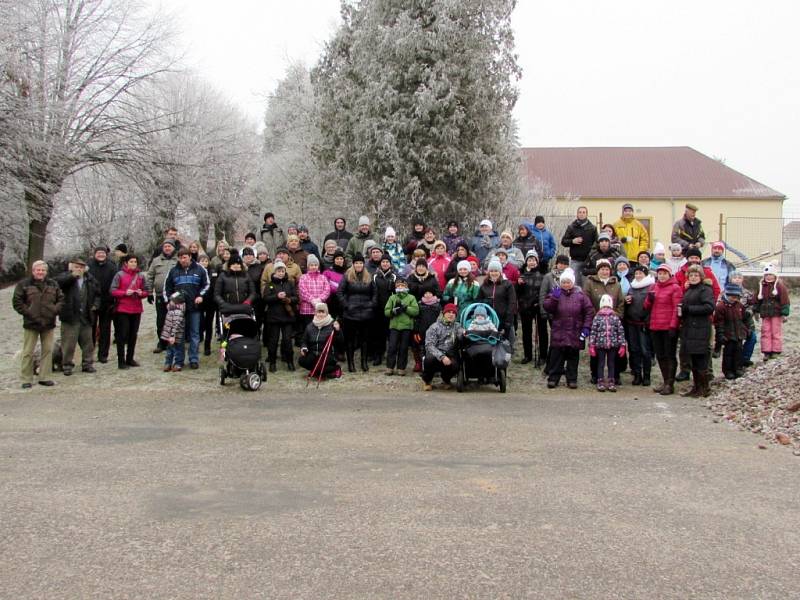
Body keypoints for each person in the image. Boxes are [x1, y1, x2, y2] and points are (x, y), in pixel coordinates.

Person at [13, 260, 64, 388]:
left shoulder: (53, 284)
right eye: (38, 270)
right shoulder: (23, 284)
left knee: (48, 350)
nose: (40, 272)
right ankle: (26, 378)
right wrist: (28, 312)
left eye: (43, 270)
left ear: (46, 272)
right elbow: (17, 302)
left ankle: (45, 376)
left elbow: (61, 299)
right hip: (31, 322)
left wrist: (54, 310)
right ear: (33, 270)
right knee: (28, 351)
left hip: (48, 323)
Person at [543, 268, 595, 389]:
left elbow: (589, 311)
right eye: (564, 282)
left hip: (575, 331)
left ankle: (572, 379)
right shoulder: (555, 293)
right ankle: (553, 378)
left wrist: (587, 327)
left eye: (568, 282)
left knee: (573, 357)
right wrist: (554, 299)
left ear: (573, 283)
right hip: (559, 330)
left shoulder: (580, 295)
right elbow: (547, 307)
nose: (566, 284)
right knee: (557, 356)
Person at [163, 248, 210, 370]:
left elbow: (207, 284)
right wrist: (169, 301)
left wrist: (200, 295)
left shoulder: (200, 269)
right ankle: (178, 360)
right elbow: (167, 288)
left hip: (194, 307)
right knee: (179, 335)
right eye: (180, 257)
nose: (182, 260)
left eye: (185, 257)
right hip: (178, 309)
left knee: (195, 334)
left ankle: (193, 359)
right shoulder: (173, 271)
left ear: (190, 257)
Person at [582, 258, 626, 385]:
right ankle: (595, 375)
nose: (605, 271)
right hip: (597, 321)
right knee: (596, 349)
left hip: (613, 322)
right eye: (602, 269)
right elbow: (586, 301)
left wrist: (616, 315)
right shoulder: (590, 282)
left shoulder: (616, 284)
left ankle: (615, 375)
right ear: (598, 270)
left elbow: (621, 303)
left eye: (607, 269)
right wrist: (596, 316)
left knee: (615, 351)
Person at [54, 257, 100, 376]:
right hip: (70, 316)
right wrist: (72, 276)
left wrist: (95, 305)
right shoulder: (65, 277)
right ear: (71, 267)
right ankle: (67, 365)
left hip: (86, 316)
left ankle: (87, 364)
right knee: (68, 344)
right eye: (76, 267)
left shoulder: (90, 279)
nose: (79, 269)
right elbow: (57, 284)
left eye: (81, 267)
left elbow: (98, 294)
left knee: (88, 343)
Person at [644, 264, 683, 395]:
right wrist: (649, 299)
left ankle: (670, 383)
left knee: (669, 355)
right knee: (660, 355)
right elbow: (647, 306)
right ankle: (665, 380)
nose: (662, 276)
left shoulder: (675, 288)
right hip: (655, 326)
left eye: (664, 273)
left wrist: (673, 326)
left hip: (668, 327)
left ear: (669, 274)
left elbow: (676, 309)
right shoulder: (653, 287)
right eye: (660, 273)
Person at [679, 264, 715, 398]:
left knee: (701, 360)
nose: (693, 277)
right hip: (689, 327)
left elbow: (709, 307)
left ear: (701, 276)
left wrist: (689, 309)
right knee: (693, 359)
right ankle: (696, 386)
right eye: (691, 275)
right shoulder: (689, 290)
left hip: (701, 328)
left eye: (696, 275)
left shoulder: (705, 290)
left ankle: (704, 388)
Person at [337, 253, 377, 372]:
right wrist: (346, 305)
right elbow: (340, 292)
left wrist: (371, 304)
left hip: (366, 313)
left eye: (360, 263)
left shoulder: (369, 276)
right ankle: (351, 364)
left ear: (363, 264)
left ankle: (364, 363)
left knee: (364, 340)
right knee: (350, 340)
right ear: (353, 264)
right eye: (356, 263)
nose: (358, 265)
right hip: (350, 314)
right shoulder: (347, 276)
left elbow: (375, 293)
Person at [110, 254, 148, 369]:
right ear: (126, 263)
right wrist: (125, 293)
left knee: (133, 335)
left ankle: (130, 358)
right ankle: (121, 361)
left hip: (136, 309)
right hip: (123, 309)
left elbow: (146, 291)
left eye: (135, 262)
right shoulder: (119, 275)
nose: (133, 264)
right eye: (131, 261)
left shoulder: (140, 275)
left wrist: (142, 293)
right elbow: (112, 290)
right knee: (122, 336)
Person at [262, 260, 298, 372]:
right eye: (279, 271)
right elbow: (266, 299)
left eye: (282, 271)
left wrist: (288, 299)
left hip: (287, 316)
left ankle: (290, 361)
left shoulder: (290, 283)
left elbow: (296, 298)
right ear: (275, 272)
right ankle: (272, 362)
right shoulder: (270, 284)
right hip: (274, 317)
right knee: (273, 341)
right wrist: (277, 296)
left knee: (287, 340)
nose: (281, 273)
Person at [713, 283, 753, 381]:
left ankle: (738, 368)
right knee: (728, 354)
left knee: (738, 352)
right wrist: (721, 335)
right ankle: (728, 371)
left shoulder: (739, 306)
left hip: (739, 334)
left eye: (736, 296)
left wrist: (747, 329)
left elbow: (746, 318)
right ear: (727, 294)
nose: (734, 298)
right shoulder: (721, 306)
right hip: (728, 335)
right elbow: (719, 323)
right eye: (732, 296)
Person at [408, 257, 441, 372]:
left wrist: (428, 294)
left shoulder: (432, 278)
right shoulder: (411, 278)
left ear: (426, 267)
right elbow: (409, 289)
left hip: (430, 309)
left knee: (430, 336)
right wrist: (422, 288)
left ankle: (430, 360)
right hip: (414, 309)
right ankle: (418, 362)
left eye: (423, 266)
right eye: (419, 266)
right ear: (415, 267)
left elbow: (438, 292)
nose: (421, 268)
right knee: (416, 337)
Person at [421, 303, 464, 391]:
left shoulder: (457, 326)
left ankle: (446, 380)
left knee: (456, 364)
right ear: (444, 313)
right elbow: (429, 345)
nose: (451, 314)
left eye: (453, 313)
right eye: (448, 312)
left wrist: (464, 334)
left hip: (450, 353)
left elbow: (461, 334)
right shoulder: (434, 327)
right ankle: (427, 381)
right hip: (436, 354)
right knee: (429, 360)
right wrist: (442, 357)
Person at [589, 294, 627, 392]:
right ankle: (600, 380)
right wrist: (591, 345)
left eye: (608, 306)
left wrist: (622, 345)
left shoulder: (615, 317)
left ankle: (611, 380)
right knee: (600, 363)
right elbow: (593, 331)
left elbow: (620, 331)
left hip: (613, 345)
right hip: (600, 345)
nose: (606, 309)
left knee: (611, 363)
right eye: (604, 306)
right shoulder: (597, 317)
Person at [625, 265, 655, 386]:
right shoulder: (631, 287)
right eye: (636, 274)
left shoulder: (651, 287)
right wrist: (627, 301)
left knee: (645, 350)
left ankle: (646, 376)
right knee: (634, 349)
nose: (638, 276)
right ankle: (637, 375)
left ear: (645, 275)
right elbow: (627, 303)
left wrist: (647, 319)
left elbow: (653, 306)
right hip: (632, 322)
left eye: (640, 274)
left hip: (644, 323)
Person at [146, 239, 178, 353]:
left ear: (174, 248)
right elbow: (149, 276)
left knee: (175, 320)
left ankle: (174, 343)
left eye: (169, 246)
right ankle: (162, 343)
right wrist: (149, 292)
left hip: (175, 296)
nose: (167, 248)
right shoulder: (156, 261)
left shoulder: (178, 259)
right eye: (165, 246)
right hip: (160, 295)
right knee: (161, 320)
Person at [86, 245, 117, 363]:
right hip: (91, 302)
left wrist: (113, 300)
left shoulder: (112, 266)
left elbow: (115, 283)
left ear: (106, 254)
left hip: (107, 302)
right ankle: (89, 354)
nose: (100, 255)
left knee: (105, 329)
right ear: (94, 254)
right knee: (91, 329)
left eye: (102, 253)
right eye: (98, 253)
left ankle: (103, 354)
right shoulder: (88, 265)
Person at [383, 278, 419, 376]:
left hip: (407, 327)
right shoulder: (392, 298)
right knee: (392, 347)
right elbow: (386, 311)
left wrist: (406, 308)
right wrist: (393, 311)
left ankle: (401, 367)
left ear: (406, 287)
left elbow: (416, 311)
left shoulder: (411, 298)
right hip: (394, 326)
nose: (400, 287)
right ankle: (390, 367)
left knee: (403, 348)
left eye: (402, 286)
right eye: (398, 286)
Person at [754, 263, 790, 361]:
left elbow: (785, 300)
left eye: (771, 275)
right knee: (766, 332)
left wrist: (784, 313)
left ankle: (776, 351)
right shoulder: (761, 286)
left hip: (776, 314)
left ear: (775, 275)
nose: (768, 277)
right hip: (765, 314)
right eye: (766, 275)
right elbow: (757, 300)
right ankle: (766, 351)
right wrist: (756, 311)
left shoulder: (779, 286)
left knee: (775, 332)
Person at [297, 254, 332, 356]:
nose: (313, 267)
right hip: (307, 310)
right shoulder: (303, 277)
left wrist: (320, 299)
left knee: (320, 332)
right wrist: (312, 300)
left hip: (320, 310)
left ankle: (321, 351)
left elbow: (327, 290)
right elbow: (302, 291)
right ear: (308, 266)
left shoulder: (323, 277)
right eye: (311, 265)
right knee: (309, 331)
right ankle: (307, 351)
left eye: (315, 265)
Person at [478, 259, 517, 346]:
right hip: (489, 319)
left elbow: (512, 302)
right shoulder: (484, 285)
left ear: (500, 271)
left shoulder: (507, 284)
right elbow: (479, 301)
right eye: (491, 271)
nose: (494, 273)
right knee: (491, 343)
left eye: (496, 271)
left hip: (504, 318)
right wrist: (486, 301)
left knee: (505, 344)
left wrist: (508, 320)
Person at [516, 250, 546, 365]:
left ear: (537, 261)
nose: (531, 262)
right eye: (529, 260)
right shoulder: (521, 274)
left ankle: (543, 355)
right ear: (526, 261)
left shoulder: (542, 274)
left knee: (542, 331)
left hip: (538, 306)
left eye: (533, 260)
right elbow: (518, 293)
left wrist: (539, 301)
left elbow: (544, 291)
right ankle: (527, 355)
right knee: (526, 332)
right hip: (525, 307)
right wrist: (518, 284)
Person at [299, 303, 343, 379]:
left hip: (328, 354)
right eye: (319, 312)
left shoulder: (332, 324)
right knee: (302, 360)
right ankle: (317, 371)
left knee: (321, 367)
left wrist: (338, 331)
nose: (320, 314)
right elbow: (304, 340)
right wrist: (304, 347)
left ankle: (336, 368)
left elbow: (341, 342)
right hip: (313, 353)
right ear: (315, 313)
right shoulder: (310, 326)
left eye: (323, 312)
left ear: (327, 313)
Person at [371, 253, 397, 366]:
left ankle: (390, 357)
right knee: (378, 334)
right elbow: (372, 292)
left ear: (390, 264)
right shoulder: (375, 276)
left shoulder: (394, 277)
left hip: (390, 310)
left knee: (390, 334)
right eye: (383, 262)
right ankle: (378, 355)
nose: (385, 264)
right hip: (377, 309)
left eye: (387, 262)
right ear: (380, 264)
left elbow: (397, 294)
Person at [561, 206, 598, 286]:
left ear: (587, 214)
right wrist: (572, 241)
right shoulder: (571, 227)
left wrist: (592, 253)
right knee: (575, 283)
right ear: (577, 214)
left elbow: (596, 243)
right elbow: (563, 242)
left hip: (588, 261)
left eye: (583, 212)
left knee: (587, 284)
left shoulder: (592, 228)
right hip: (575, 260)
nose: (581, 214)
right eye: (580, 212)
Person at [728, 270, 757, 367]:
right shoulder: (725, 292)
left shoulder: (747, 293)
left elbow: (754, 305)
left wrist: (749, 312)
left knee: (752, 338)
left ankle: (745, 358)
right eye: (735, 278)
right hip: (732, 321)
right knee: (736, 342)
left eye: (739, 278)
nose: (737, 280)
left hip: (746, 321)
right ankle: (734, 362)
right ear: (730, 279)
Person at [160, 292, 186, 372]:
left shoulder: (178, 312)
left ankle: (178, 363)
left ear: (176, 302)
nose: (169, 301)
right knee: (169, 349)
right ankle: (168, 363)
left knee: (179, 349)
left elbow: (176, 325)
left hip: (176, 335)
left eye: (171, 300)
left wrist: (172, 336)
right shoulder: (171, 310)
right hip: (170, 334)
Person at [197, 254, 217, 356]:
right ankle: (198, 340)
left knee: (209, 324)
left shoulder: (213, 272)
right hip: (199, 301)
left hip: (211, 302)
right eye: (202, 261)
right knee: (200, 323)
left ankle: (207, 346)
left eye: (206, 261)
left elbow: (215, 286)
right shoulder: (195, 272)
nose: (204, 263)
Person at [323, 250, 347, 319]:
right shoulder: (328, 272)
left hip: (343, 302)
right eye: (337, 259)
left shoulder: (348, 272)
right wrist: (338, 289)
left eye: (341, 259)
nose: (339, 260)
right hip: (331, 302)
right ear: (334, 260)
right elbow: (325, 285)